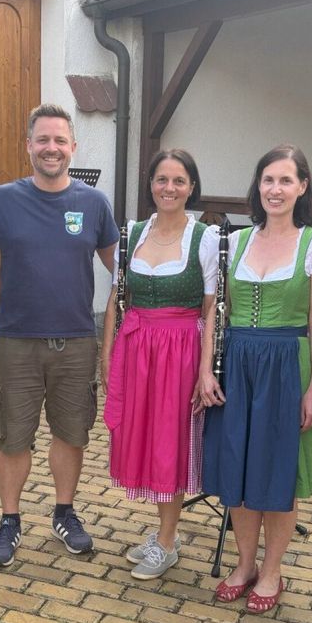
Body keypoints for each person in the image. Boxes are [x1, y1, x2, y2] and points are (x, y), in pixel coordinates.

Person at [0, 104, 118, 567]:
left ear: (73, 147)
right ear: (29, 146)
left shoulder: (94, 204)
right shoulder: (0, 200)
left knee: (72, 433)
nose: (51, 148)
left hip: (77, 340)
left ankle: (64, 513)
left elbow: (123, 270)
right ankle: (9, 520)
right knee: (13, 436)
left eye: (60, 140)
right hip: (16, 339)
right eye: (43, 140)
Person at [200, 145, 312, 613]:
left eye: (285, 180)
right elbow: (216, 315)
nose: (275, 189)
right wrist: (205, 370)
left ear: (302, 187)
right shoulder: (235, 242)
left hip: (286, 364)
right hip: (237, 362)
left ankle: (273, 570)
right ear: (257, 188)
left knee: (278, 473)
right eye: (267, 180)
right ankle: (244, 563)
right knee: (238, 467)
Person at [102, 149, 219, 580]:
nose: (169, 188)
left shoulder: (203, 237)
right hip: (138, 350)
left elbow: (211, 309)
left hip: (180, 350)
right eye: (161, 179)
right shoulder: (131, 233)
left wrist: (204, 369)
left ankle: (168, 541)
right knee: (149, 438)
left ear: (191, 187)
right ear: (150, 184)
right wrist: (108, 356)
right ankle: (162, 530)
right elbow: (118, 299)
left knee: (169, 441)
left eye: (179, 180)